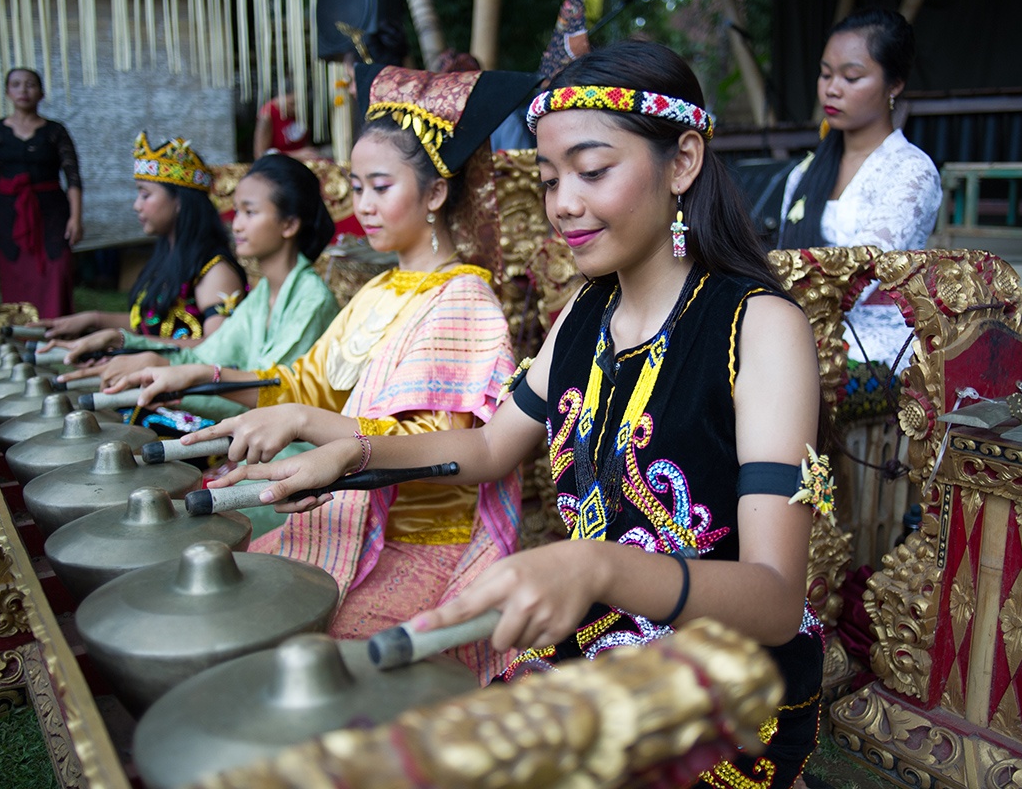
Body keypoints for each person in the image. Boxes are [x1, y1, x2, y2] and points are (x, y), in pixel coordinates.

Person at [202, 41, 828, 787]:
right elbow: (494, 446)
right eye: (549, 178)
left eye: (593, 171)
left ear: (684, 161)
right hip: (590, 643)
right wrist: (352, 454)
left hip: (723, 683)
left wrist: (593, 562)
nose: (564, 202)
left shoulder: (758, 328)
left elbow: (776, 599)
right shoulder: (584, 315)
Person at [108, 65, 541, 677]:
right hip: (348, 511)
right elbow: (306, 382)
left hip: (421, 539)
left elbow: (437, 448)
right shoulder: (381, 288)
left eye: (380, 186)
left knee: (306, 661)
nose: (361, 205)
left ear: (437, 192)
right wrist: (199, 373)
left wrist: (306, 419)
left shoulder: (463, 302)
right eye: (355, 186)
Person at [59, 154, 340, 427]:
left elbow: (266, 394)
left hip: (290, 452)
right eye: (237, 211)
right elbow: (206, 356)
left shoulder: (312, 301)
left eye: (250, 212)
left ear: (289, 224)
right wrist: (136, 348)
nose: (237, 224)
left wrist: (173, 382)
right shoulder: (264, 293)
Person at [777, 8, 941, 368]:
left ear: (894, 84)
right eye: (825, 74)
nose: (831, 89)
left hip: (870, 343)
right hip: (798, 325)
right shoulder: (804, 173)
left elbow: (859, 275)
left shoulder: (910, 171)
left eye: (851, 77)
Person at [38, 133, 246, 360]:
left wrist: (127, 343)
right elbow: (151, 322)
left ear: (179, 203)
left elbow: (219, 349)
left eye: (145, 195)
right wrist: (93, 319)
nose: (136, 205)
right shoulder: (170, 256)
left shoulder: (215, 270)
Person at [0, 67, 83, 317]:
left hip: (51, 211)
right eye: (16, 84)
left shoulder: (55, 131)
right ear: (8, 92)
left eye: (30, 84)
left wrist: (76, 218)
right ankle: (21, 327)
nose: (23, 90)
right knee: (15, 269)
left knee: (56, 267)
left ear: (41, 93)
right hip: (9, 211)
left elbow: (73, 177)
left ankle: (56, 326)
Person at [253, 82, 322, 161]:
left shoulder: (301, 113)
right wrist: (296, 155)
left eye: (301, 104)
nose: (296, 109)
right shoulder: (267, 115)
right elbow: (260, 155)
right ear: (280, 97)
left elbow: (305, 143)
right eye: (292, 104)